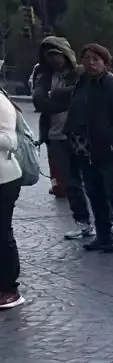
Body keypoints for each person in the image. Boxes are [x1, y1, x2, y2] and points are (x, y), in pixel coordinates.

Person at [66, 44, 113, 253]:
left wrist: (107, 140)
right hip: (86, 149)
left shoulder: (112, 85)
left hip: (111, 149)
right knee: (95, 193)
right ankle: (104, 234)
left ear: (105, 63)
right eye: (86, 58)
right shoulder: (84, 83)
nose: (90, 62)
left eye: (96, 59)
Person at [31, 37, 91, 240]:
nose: (53, 59)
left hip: (80, 134)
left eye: (56, 54)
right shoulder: (44, 75)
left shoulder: (79, 73)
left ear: (65, 53)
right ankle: (83, 223)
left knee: (92, 180)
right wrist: (62, 101)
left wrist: (55, 95)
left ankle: (105, 221)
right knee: (70, 182)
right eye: (49, 56)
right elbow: (39, 102)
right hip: (55, 136)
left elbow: (81, 98)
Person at [0, 87, 24, 309]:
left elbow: (10, 141)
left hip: (4, 178)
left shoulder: (2, 103)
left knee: (2, 232)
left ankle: (10, 288)